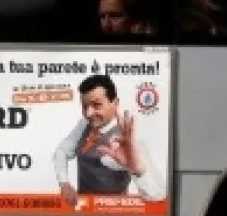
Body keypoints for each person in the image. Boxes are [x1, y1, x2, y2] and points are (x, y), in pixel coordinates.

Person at [52, 74, 163, 205]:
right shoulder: (83, 125)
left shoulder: (129, 139)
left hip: (114, 213)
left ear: (115, 104)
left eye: (96, 105)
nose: (88, 113)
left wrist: (138, 170)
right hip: (83, 208)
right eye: (85, 106)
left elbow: (157, 196)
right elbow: (61, 151)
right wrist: (64, 183)